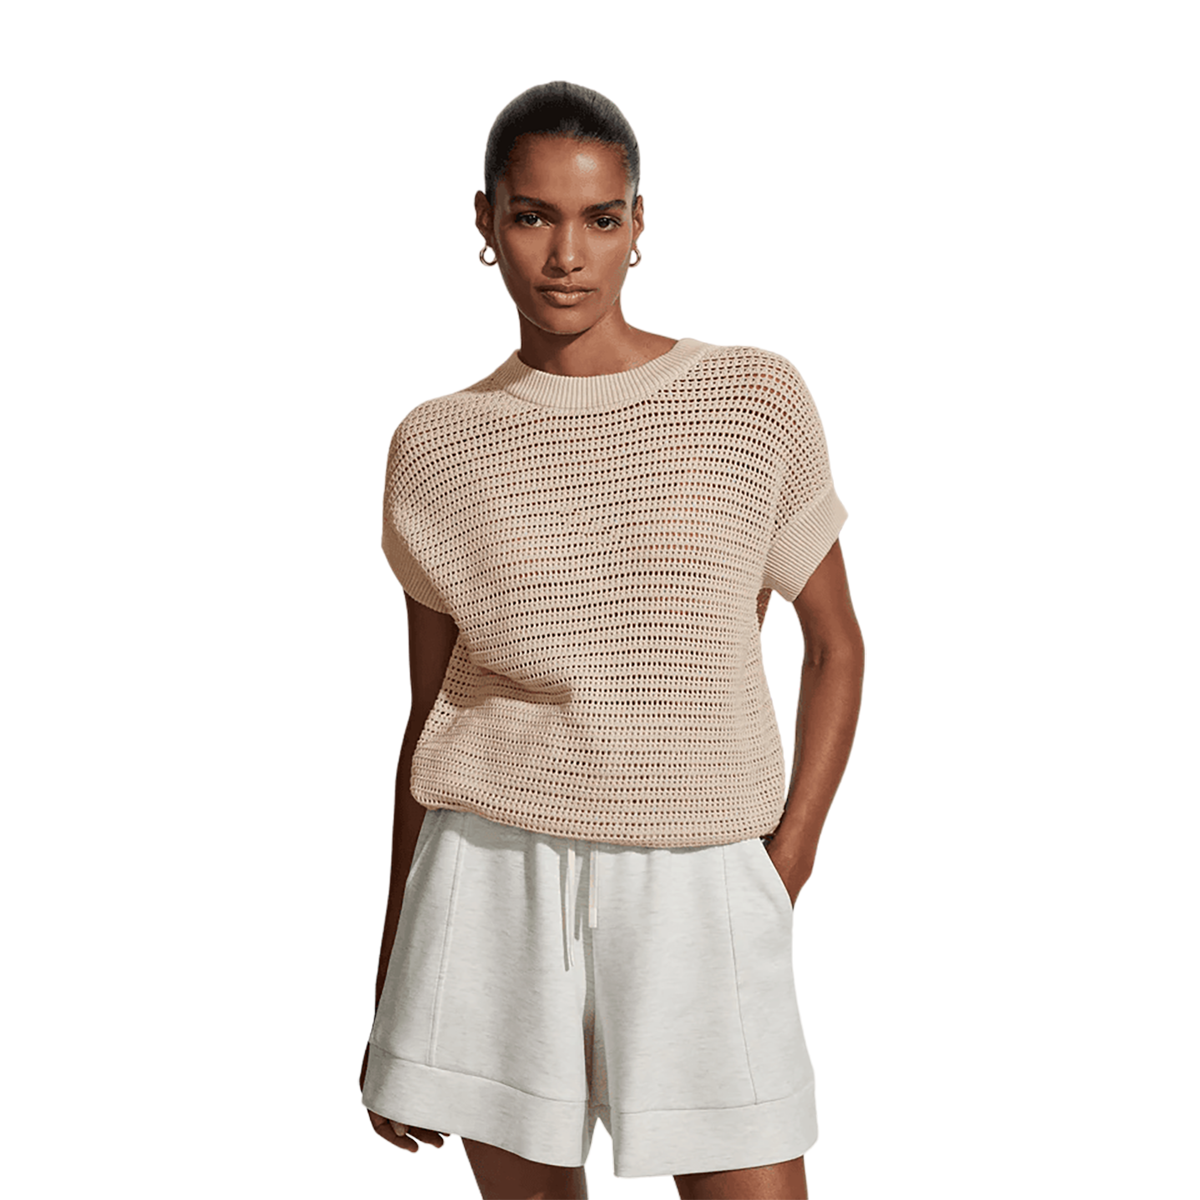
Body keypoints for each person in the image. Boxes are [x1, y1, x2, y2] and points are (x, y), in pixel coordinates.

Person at [359, 82, 866, 1200]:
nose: (566, 255)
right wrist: (393, 983)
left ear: (639, 225)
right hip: (492, 875)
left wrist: (780, 867)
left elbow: (835, 646)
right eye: (533, 216)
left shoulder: (749, 402)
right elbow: (428, 719)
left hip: (701, 869)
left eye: (599, 218)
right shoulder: (438, 444)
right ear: (485, 224)